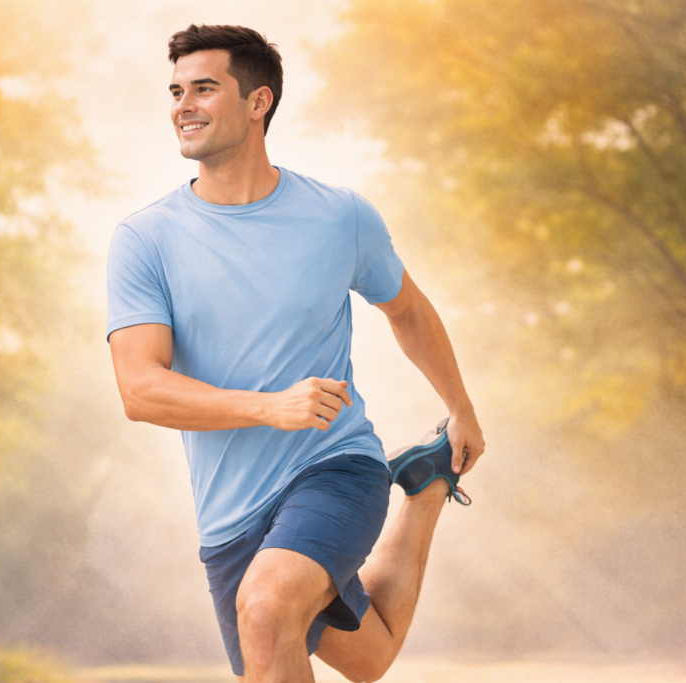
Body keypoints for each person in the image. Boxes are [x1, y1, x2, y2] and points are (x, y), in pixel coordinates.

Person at [106, 24, 485, 683]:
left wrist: (461, 407)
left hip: (333, 464)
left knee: (267, 607)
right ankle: (424, 490)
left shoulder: (339, 216)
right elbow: (140, 389)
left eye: (204, 88)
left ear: (259, 102)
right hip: (230, 511)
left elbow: (409, 310)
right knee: (367, 656)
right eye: (175, 91)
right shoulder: (145, 240)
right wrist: (269, 406)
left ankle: (404, 480)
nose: (182, 105)